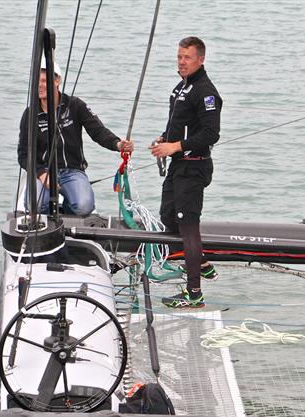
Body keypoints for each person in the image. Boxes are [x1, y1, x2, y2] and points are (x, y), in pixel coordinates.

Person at [150, 36, 222, 309]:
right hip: (178, 165)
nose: (181, 62)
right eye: (179, 56)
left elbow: (210, 134)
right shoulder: (181, 88)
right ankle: (202, 264)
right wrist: (162, 140)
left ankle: (194, 294)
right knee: (168, 217)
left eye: (187, 57)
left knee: (188, 227)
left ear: (200, 59)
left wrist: (175, 146)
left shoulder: (206, 92)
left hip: (194, 167)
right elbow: (180, 124)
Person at [17, 61, 134, 216]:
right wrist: (41, 173)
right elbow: (23, 154)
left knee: (84, 206)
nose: (40, 85)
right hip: (43, 171)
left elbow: (98, 131)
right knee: (34, 206)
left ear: (57, 81)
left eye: (44, 81)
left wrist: (118, 144)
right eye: (37, 81)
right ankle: (48, 216)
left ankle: (67, 211)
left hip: (72, 171)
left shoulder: (75, 105)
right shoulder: (30, 114)